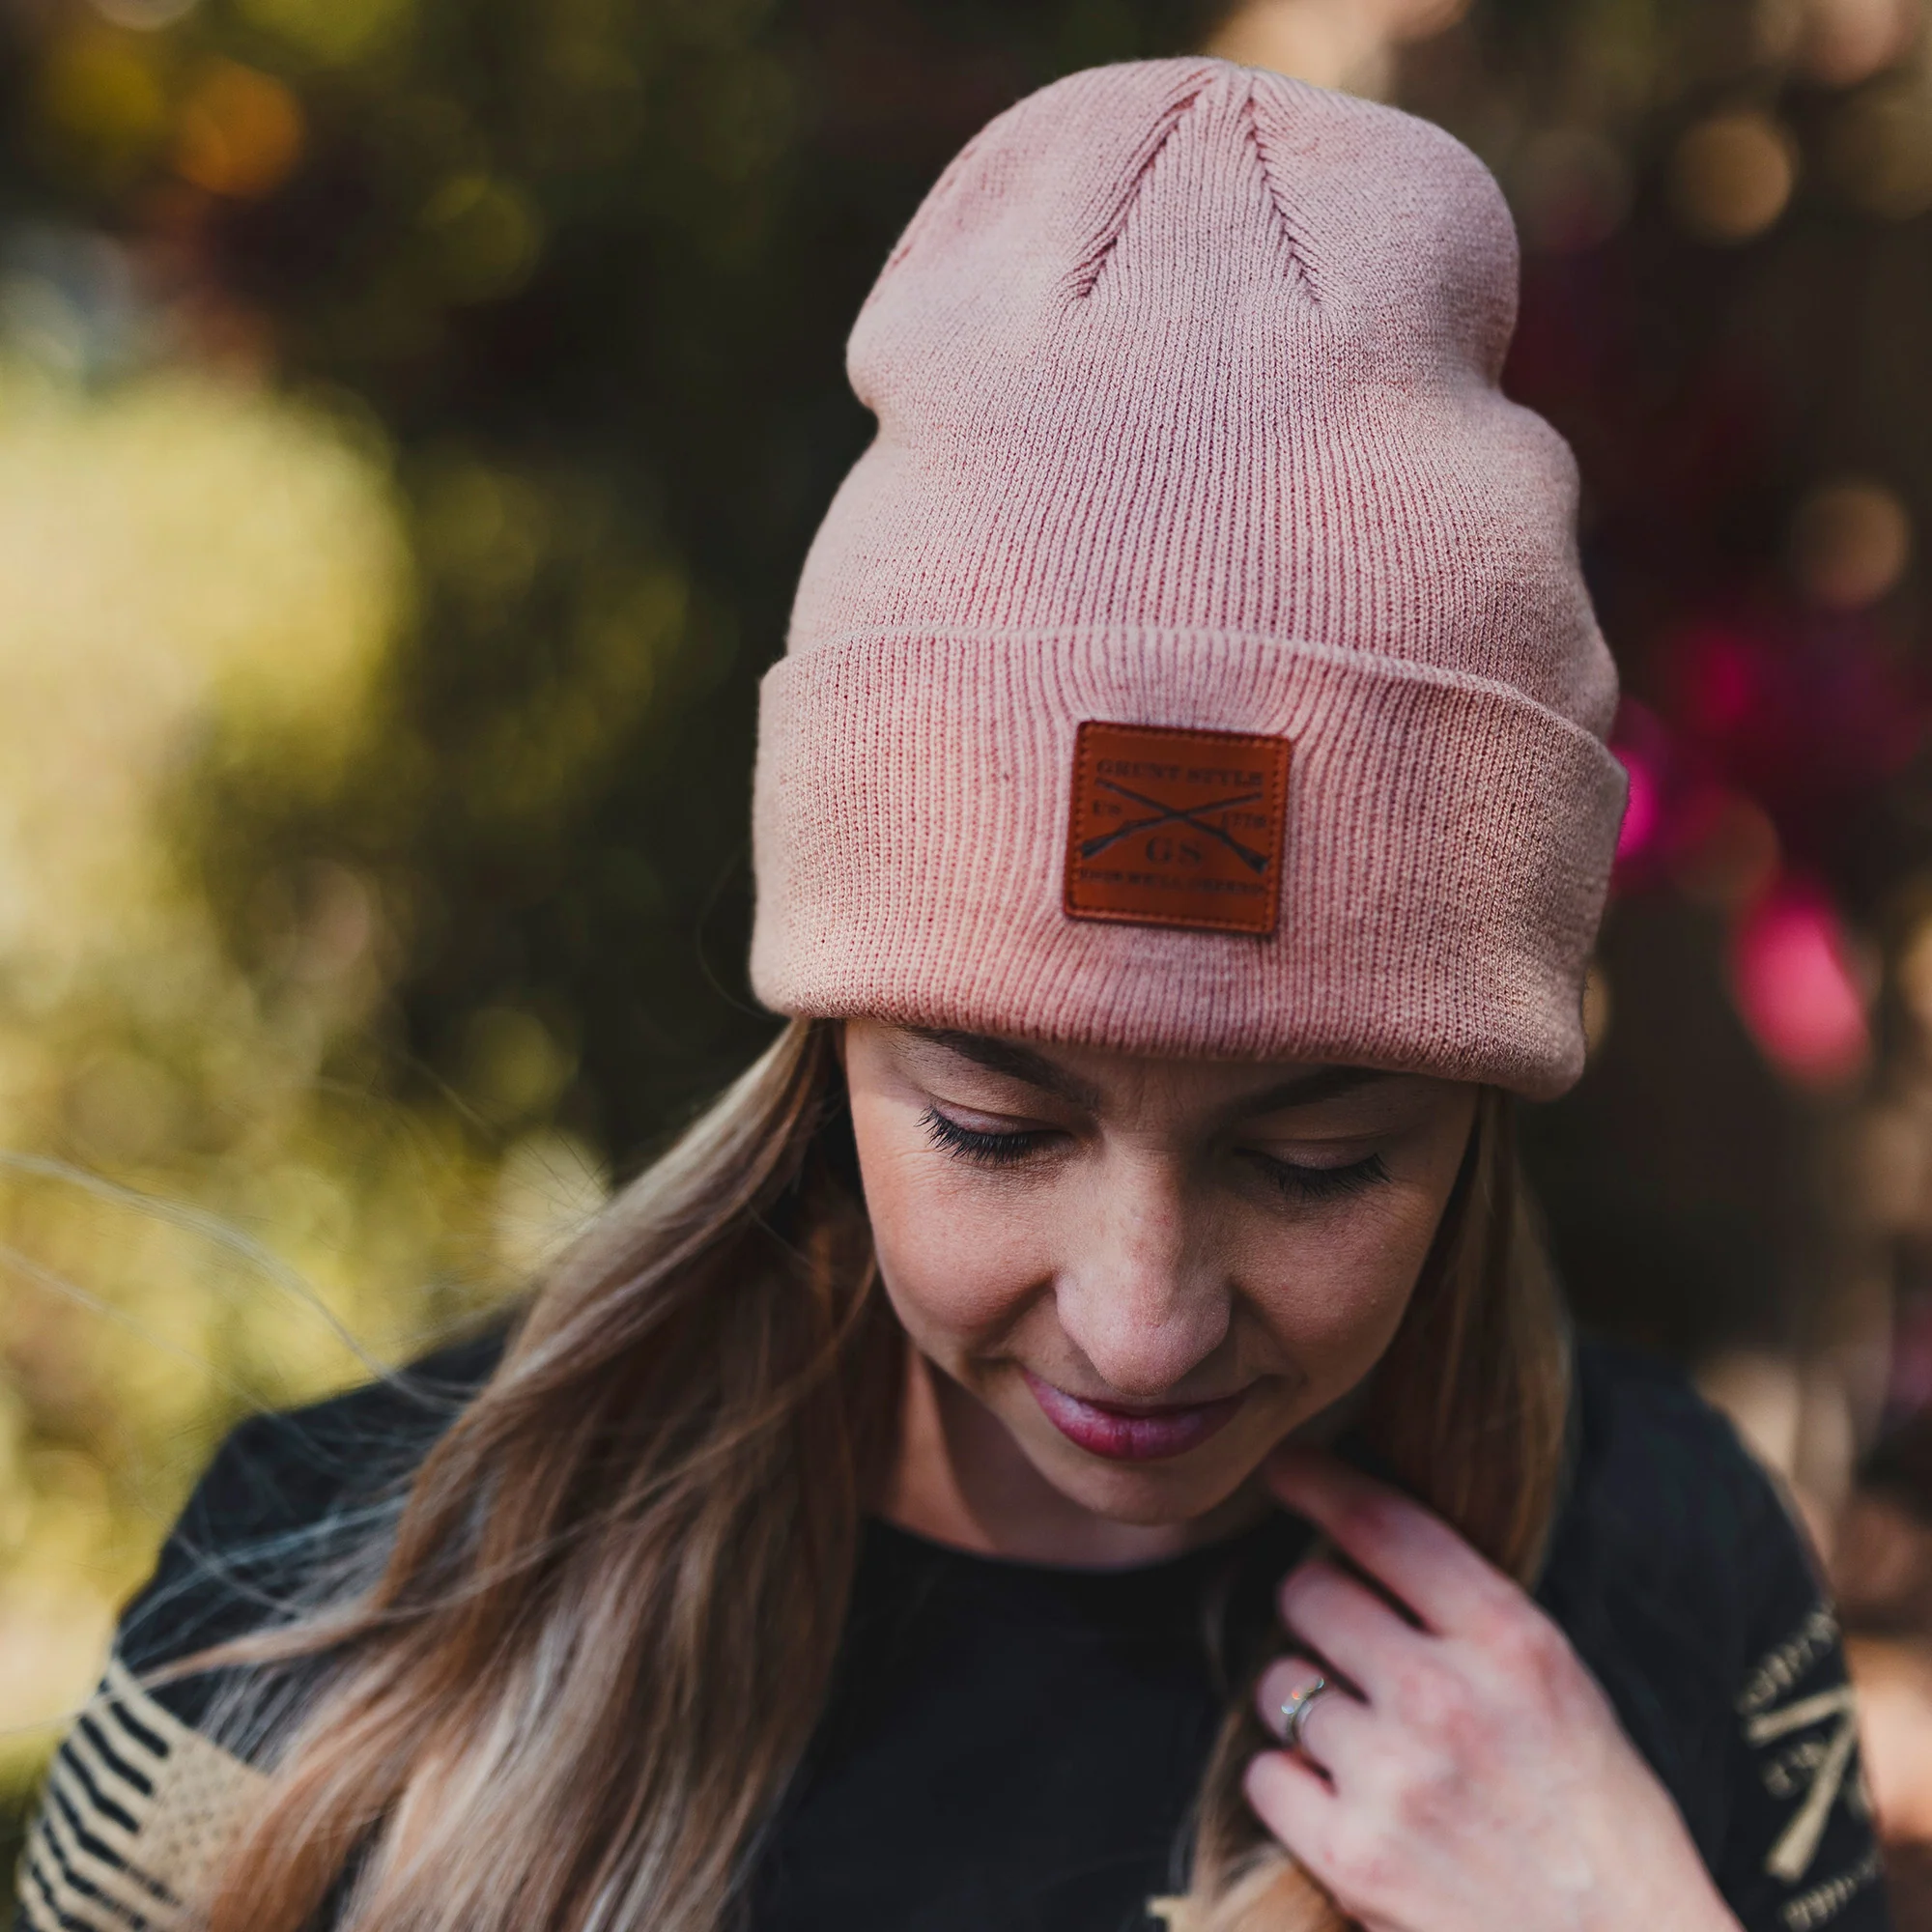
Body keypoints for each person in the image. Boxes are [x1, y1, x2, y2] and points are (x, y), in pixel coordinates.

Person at [15, 56, 1887, 1932]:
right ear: (827, 1047)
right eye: (995, 1125)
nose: (1138, 1323)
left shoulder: (1668, 1595)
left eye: (1314, 1156)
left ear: (1482, 1098)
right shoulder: (319, 1607)